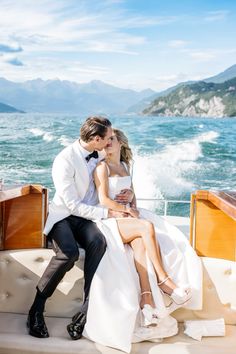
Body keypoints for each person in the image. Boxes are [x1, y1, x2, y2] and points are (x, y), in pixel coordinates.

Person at [82, 128, 202, 352]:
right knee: (146, 226)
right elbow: (104, 200)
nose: (108, 143)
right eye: (106, 140)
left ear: (120, 144)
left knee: (142, 244)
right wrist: (126, 211)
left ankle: (146, 301)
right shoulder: (102, 167)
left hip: (127, 214)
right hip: (110, 219)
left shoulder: (126, 166)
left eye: (112, 139)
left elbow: (132, 194)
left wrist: (132, 201)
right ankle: (165, 281)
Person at [27, 116, 133, 340]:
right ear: (96, 139)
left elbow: (118, 170)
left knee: (99, 243)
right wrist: (108, 212)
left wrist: (129, 192)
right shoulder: (64, 160)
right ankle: (36, 310)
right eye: (107, 138)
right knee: (68, 254)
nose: (109, 142)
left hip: (88, 218)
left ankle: (85, 314)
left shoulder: (101, 151)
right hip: (64, 216)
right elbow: (71, 204)